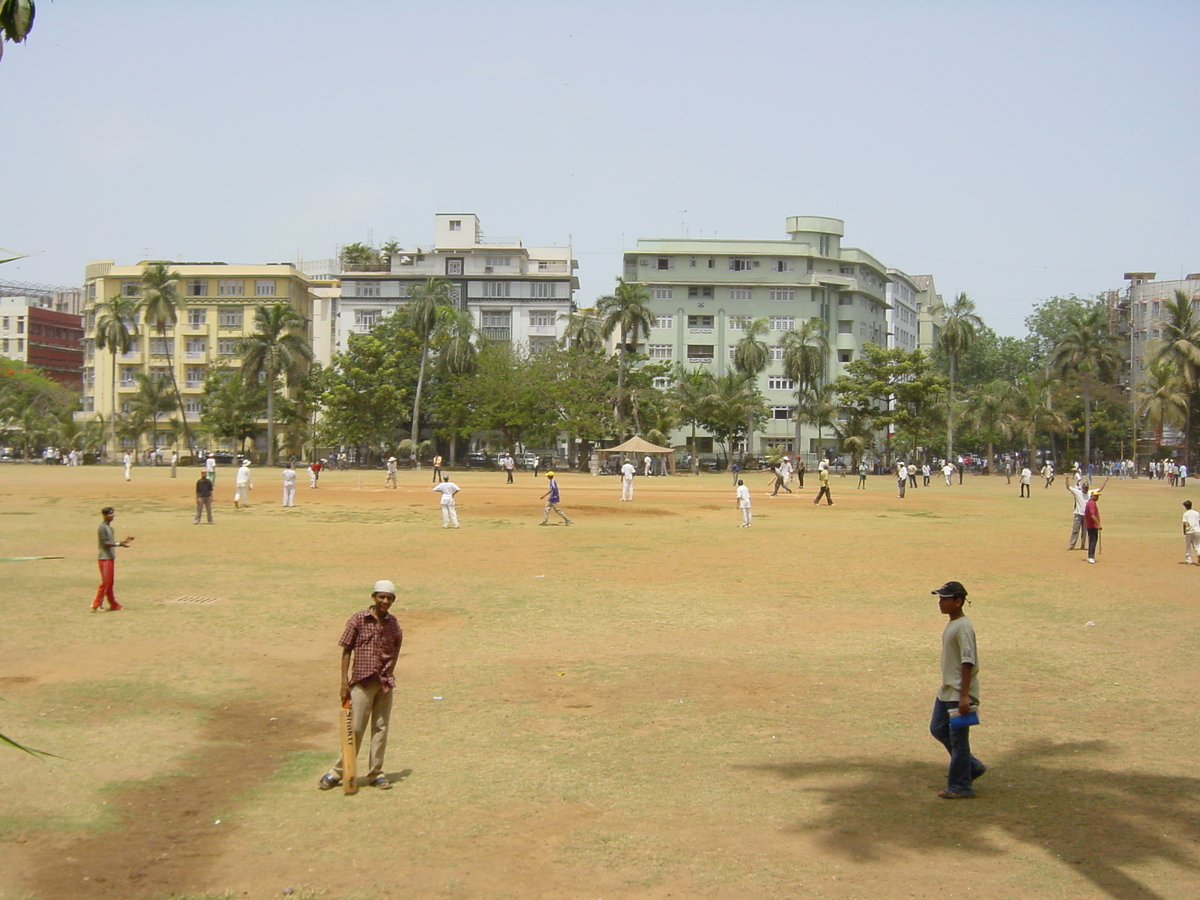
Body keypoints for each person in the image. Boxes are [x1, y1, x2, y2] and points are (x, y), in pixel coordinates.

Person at [318, 580, 403, 792]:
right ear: (373, 597)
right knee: (355, 728)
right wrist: (344, 682)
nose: (385, 601)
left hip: (384, 682)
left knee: (380, 728)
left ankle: (376, 773)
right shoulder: (358, 619)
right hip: (361, 682)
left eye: (389, 598)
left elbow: (397, 646)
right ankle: (338, 771)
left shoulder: (393, 624)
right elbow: (346, 650)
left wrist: (389, 669)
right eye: (381, 597)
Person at [928, 580, 985, 799]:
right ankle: (971, 766)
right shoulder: (953, 624)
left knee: (959, 740)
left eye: (945, 599)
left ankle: (961, 786)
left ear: (958, 601)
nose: (940, 602)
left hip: (958, 693)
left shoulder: (963, 627)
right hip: (947, 690)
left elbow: (967, 661)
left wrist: (964, 696)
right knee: (938, 728)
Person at [91, 507, 133, 612]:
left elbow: (110, 542)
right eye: (110, 514)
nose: (112, 516)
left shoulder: (109, 528)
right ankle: (96, 604)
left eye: (113, 514)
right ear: (104, 515)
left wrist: (124, 541)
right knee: (106, 583)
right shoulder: (102, 528)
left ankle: (113, 604)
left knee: (110, 582)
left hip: (110, 557)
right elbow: (105, 543)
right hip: (104, 558)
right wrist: (119, 544)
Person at [1066, 475, 1088, 550]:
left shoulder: (1090, 493)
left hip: (1086, 515)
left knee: (1084, 532)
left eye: (1087, 488)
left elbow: (1099, 490)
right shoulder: (1078, 492)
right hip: (1078, 514)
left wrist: (1105, 481)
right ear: (1082, 488)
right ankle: (1072, 545)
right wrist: (1067, 479)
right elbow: (1068, 487)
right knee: (1075, 530)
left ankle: (1083, 545)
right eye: (1085, 488)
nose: (1086, 489)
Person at [1084, 489, 1102, 563]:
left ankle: (1090, 556)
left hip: (1090, 525)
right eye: (1096, 496)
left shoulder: (1090, 502)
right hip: (1092, 525)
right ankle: (1091, 556)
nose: (1097, 497)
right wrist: (1098, 524)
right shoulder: (1091, 503)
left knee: (1092, 540)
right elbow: (1092, 515)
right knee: (1093, 541)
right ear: (1092, 496)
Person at [1183, 500, 1200, 565]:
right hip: (1197, 530)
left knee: (1188, 545)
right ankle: (1199, 554)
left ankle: (1189, 560)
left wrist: (1184, 531)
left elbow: (1184, 523)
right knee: (1197, 544)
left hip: (1189, 531)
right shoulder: (1196, 513)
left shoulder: (1186, 514)